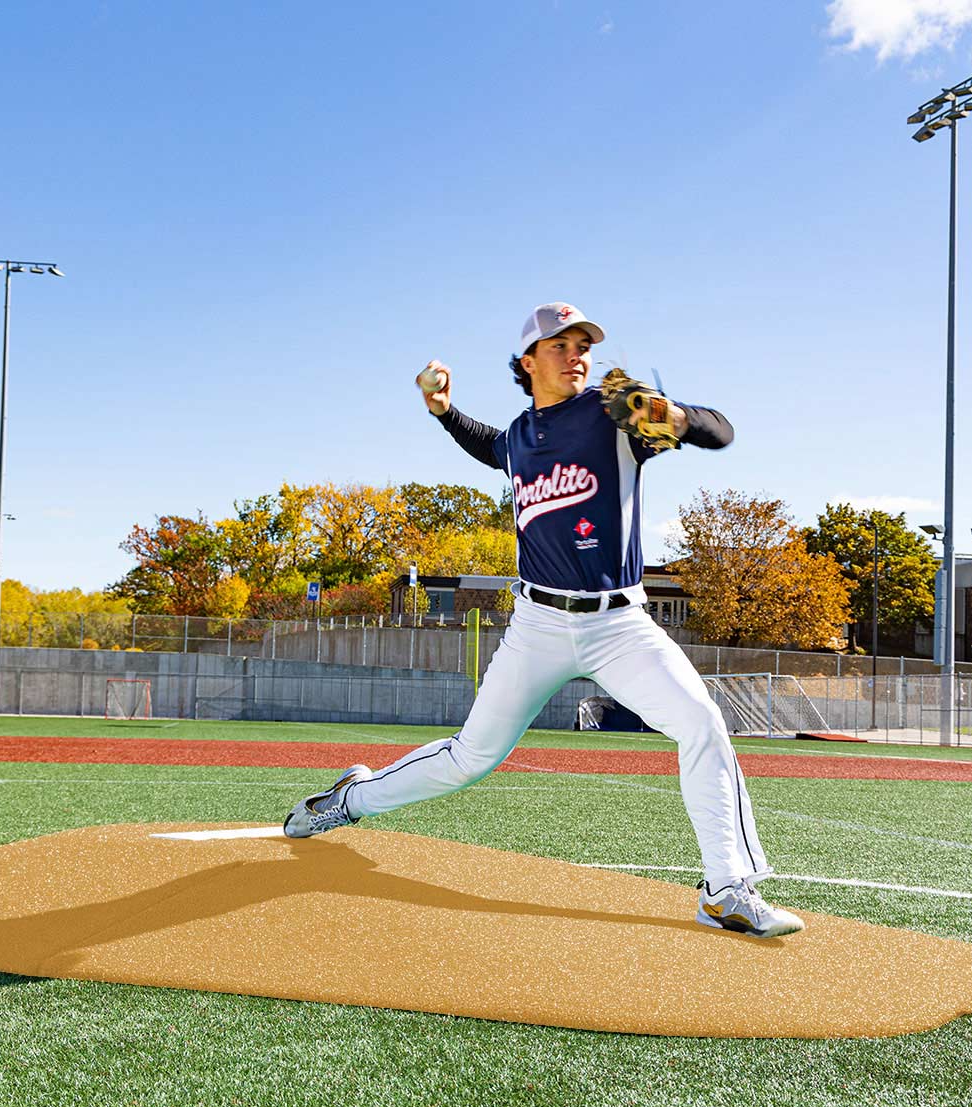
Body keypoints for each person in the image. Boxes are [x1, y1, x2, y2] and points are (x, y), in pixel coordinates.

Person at [283, 302, 803, 938]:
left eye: (583, 342)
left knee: (701, 724)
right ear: (528, 362)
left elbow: (720, 432)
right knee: (470, 757)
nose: (577, 352)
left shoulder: (615, 414)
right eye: (560, 344)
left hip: (621, 625)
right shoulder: (520, 435)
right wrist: (443, 410)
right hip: (537, 624)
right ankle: (350, 799)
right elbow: (492, 448)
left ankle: (726, 889)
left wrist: (673, 415)